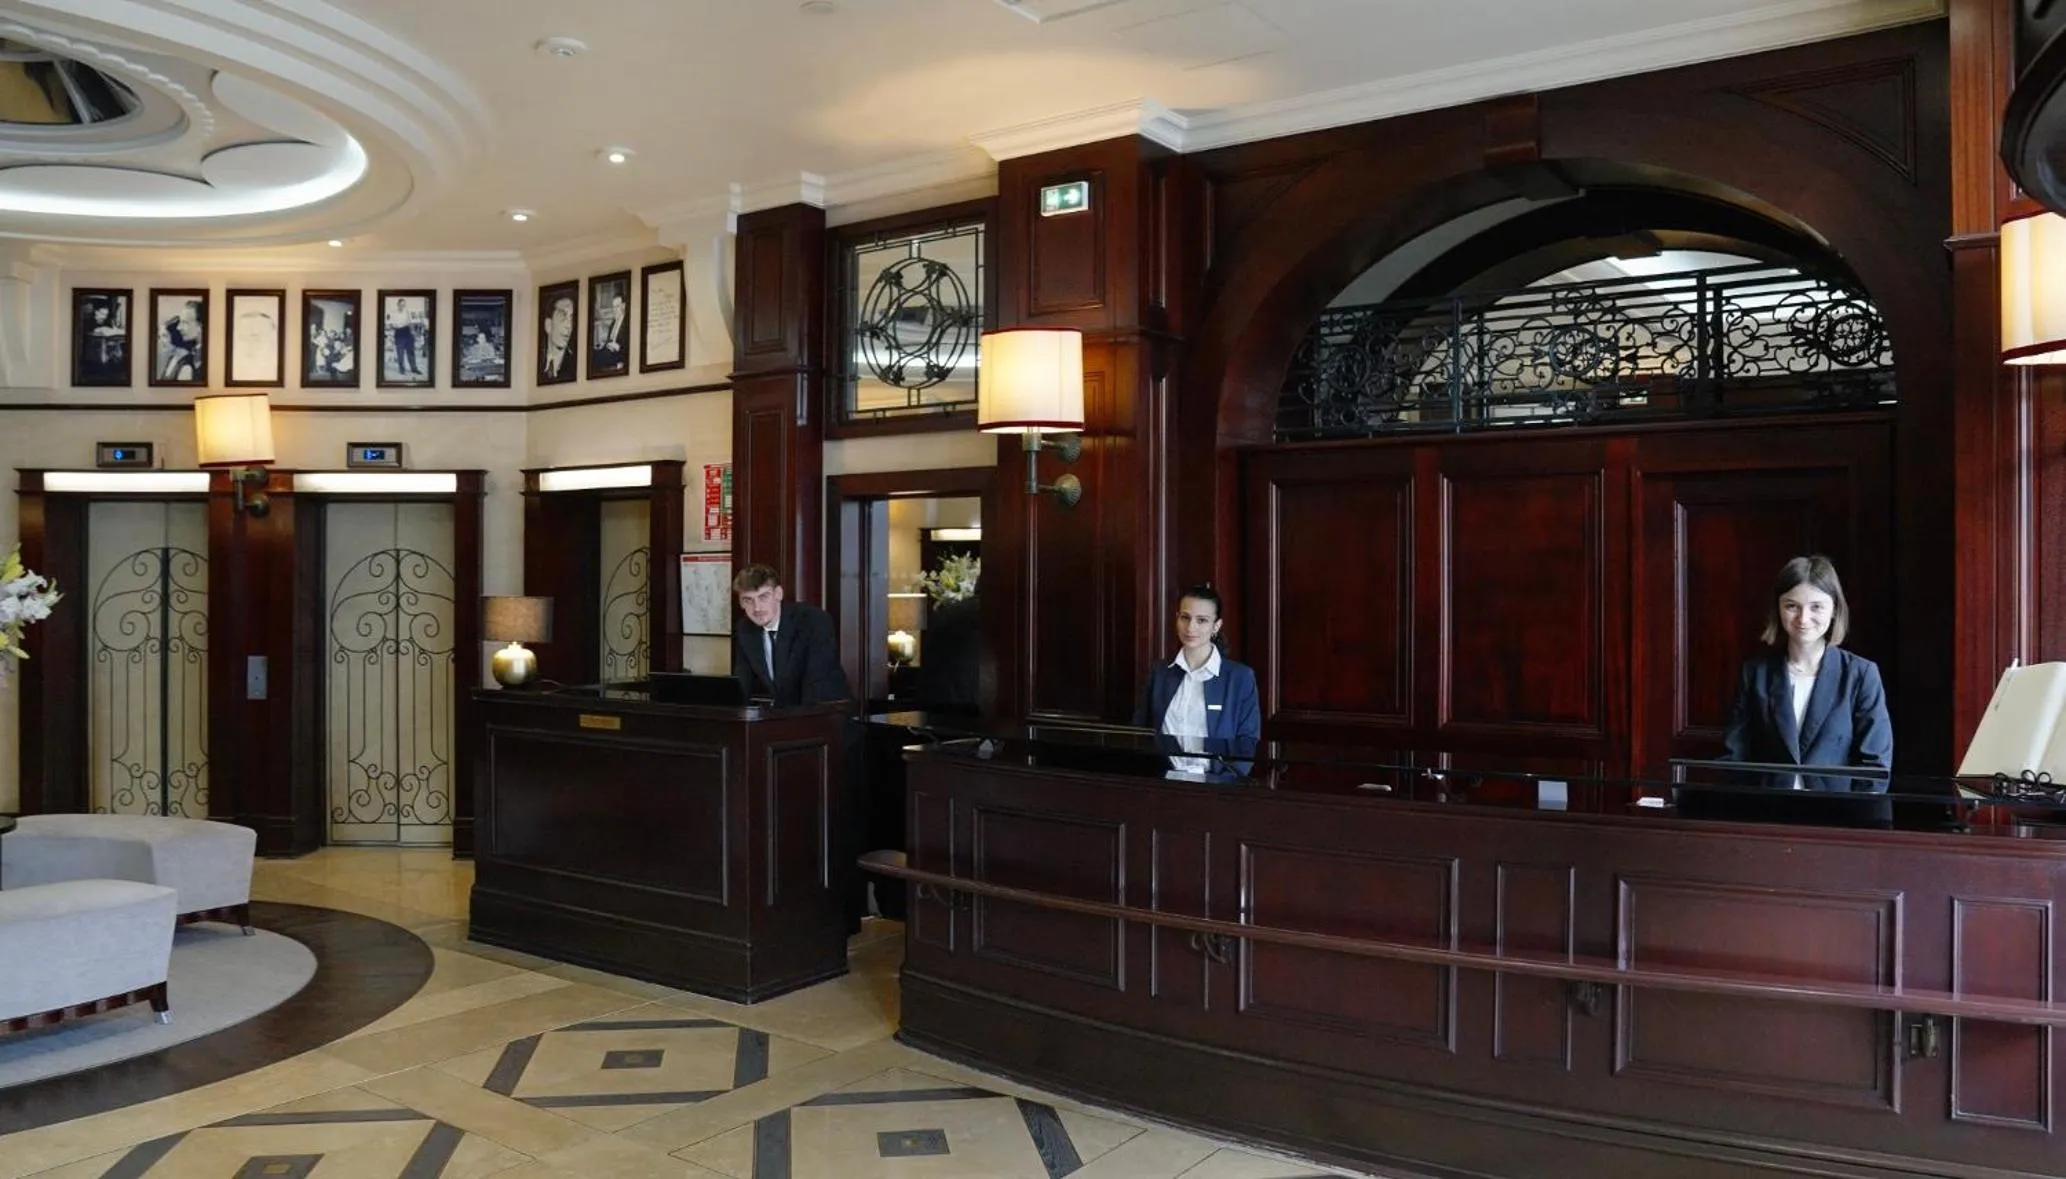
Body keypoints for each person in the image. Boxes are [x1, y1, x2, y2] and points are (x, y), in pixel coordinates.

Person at [1720, 555, 1892, 790]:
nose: (1803, 618)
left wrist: (1853, 822)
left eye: (1816, 607)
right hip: (1767, 815)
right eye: (1792, 606)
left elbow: (1875, 768)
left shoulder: (1861, 675)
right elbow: (1734, 758)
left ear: (1834, 609)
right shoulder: (1754, 673)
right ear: (1778, 609)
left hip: (1837, 818)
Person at [1133, 583, 1262, 773]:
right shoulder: (1159, 672)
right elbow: (1140, 732)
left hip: (1217, 788)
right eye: (1185, 617)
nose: (1190, 627)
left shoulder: (1240, 678)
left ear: (1216, 625)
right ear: (1177, 619)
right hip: (1162, 785)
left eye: (1201, 620)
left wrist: (1228, 786)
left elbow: (1247, 742)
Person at [730, 564, 850, 708]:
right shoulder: (745, 628)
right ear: (740, 602)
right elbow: (743, 681)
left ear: (778, 594)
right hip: (782, 717)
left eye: (763, 597)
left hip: (826, 714)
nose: (757, 608)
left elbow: (816, 682)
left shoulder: (812, 621)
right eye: (748, 600)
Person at [540, 293, 575, 382]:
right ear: (548, 325)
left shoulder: (574, 364)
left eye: (571, 319)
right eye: (563, 317)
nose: (568, 326)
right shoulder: (536, 360)